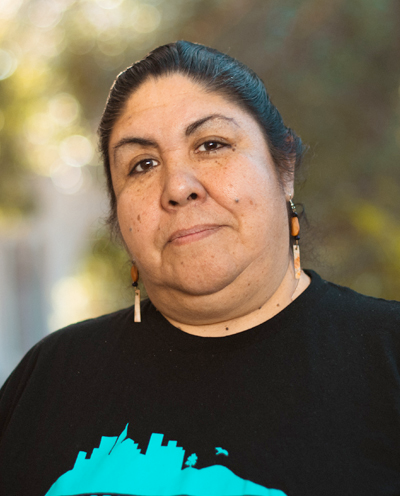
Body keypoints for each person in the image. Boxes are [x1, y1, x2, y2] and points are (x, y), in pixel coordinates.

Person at [1, 41, 400, 496]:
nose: (177, 187)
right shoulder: (49, 379)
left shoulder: (388, 356)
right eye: (142, 165)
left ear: (284, 167)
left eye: (211, 145)